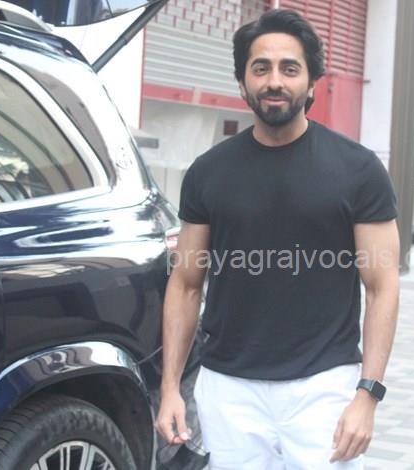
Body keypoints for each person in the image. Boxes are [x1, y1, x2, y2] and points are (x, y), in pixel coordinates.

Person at [155, 8, 400, 469]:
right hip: (229, 388)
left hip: (323, 386)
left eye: (290, 68)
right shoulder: (208, 173)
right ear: (242, 83)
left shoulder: (358, 170)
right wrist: (170, 388)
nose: (274, 81)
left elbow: (382, 286)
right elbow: (186, 284)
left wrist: (368, 394)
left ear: (311, 83)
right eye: (261, 68)